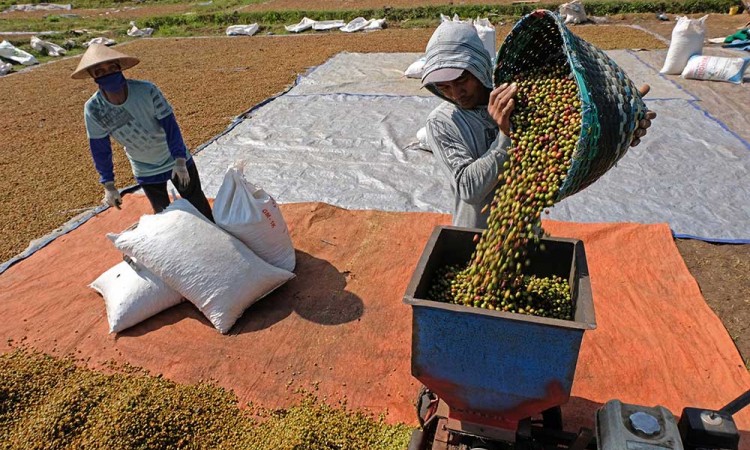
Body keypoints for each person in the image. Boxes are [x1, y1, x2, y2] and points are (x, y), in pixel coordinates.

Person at [420, 21, 656, 228]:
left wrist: (620, 124)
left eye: (462, 80)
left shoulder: (521, 96)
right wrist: (505, 136)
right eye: (444, 87)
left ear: (479, 67)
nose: (456, 93)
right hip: (475, 234)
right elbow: (468, 189)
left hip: (524, 229)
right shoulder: (442, 123)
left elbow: (567, 140)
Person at [71, 44, 214, 222]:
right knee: (165, 216)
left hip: (175, 161)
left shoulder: (147, 91)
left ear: (119, 68)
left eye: (112, 68)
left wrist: (179, 160)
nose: (107, 74)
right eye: (100, 71)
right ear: (94, 77)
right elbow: (100, 149)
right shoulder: (93, 109)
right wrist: (108, 184)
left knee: (198, 204)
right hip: (145, 169)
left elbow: (171, 127)